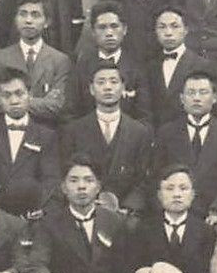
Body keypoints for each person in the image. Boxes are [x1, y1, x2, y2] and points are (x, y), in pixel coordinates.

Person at [12, 156, 138, 273]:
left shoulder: (116, 221)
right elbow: (36, 264)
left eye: (88, 180)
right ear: (63, 187)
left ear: (98, 187)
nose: (81, 187)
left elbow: (125, 266)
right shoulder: (48, 223)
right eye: (74, 180)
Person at [150, 70, 217, 226]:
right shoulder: (167, 133)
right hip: (173, 215)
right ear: (182, 99)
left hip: (213, 218)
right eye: (191, 93)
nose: (197, 98)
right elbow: (156, 177)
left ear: (214, 98)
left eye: (203, 92)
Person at [57, 65, 154, 216]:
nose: (107, 87)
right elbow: (65, 174)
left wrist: (128, 208)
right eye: (101, 82)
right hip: (83, 212)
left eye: (113, 82)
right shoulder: (73, 131)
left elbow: (143, 180)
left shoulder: (139, 132)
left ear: (123, 88)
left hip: (126, 215)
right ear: (91, 89)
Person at [0, 67, 61, 218]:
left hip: (33, 214)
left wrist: (42, 209)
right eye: (6, 95)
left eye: (19, 94)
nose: (14, 101)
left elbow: (51, 179)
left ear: (30, 95)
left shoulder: (47, 135)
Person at [0, 0, 70, 124]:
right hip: (5, 132)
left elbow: (57, 106)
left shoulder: (60, 61)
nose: (28, 20)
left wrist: (10, 101)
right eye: (23, 14)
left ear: (47, 22)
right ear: (16, 19)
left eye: (35, 15)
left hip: (46, 134)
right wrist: (40, 101)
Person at [69, 1, 150, 119]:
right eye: (102, 27)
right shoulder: (81, 66)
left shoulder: (138, 68)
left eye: (114, 26)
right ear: (93, 32)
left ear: (125, 29)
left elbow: (145, 117)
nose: (109, 33)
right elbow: (70, 114)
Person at [141, 6, 217, 130]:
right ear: (155, 31)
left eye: (175, 26)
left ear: (186, 30)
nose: (168, 32)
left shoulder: (202, 65)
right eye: (162, 27)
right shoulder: (149, 66)